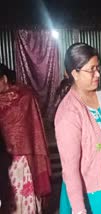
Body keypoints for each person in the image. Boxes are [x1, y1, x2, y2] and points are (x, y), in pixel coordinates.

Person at [54, 43, 101, 214]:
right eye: (91, 70)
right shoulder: (69, 113)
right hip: (91, 191)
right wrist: (79, 210)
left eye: (98, 67)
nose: (98, 74)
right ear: (75, 73)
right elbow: (70, 170)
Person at [0, 63, 52, 213]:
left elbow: (32, 130)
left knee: (23, 202)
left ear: (4, 79)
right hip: (2, 160)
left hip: (22, 162)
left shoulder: (24, 98)